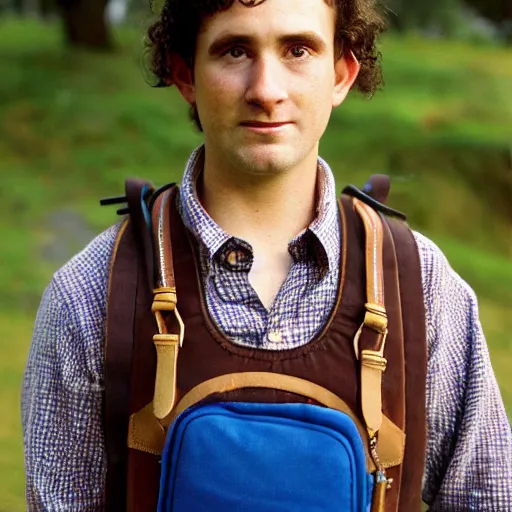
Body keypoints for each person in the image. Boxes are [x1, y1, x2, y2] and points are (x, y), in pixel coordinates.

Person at [22, 0, 512, 510]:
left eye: (298, 50)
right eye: (235, 51)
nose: (266, 91)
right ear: (185, 74)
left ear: (342, 73)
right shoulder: (92, 293)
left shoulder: (420, 286)